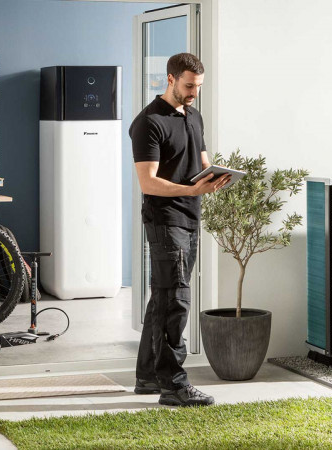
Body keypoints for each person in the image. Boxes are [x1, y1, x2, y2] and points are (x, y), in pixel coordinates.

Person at [129, 52, 230, 407]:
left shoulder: (194, 116)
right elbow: (149, 182)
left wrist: (216, 176)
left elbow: (201, 163)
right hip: (164, 219)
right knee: (175, 300)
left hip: (190, 217)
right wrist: (191, 190)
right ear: (169, 79)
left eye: (198, 86)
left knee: (163, 298)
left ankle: (147, 377)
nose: (194, 93)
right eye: (189, 86)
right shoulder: (149, 122)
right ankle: (174, 385)